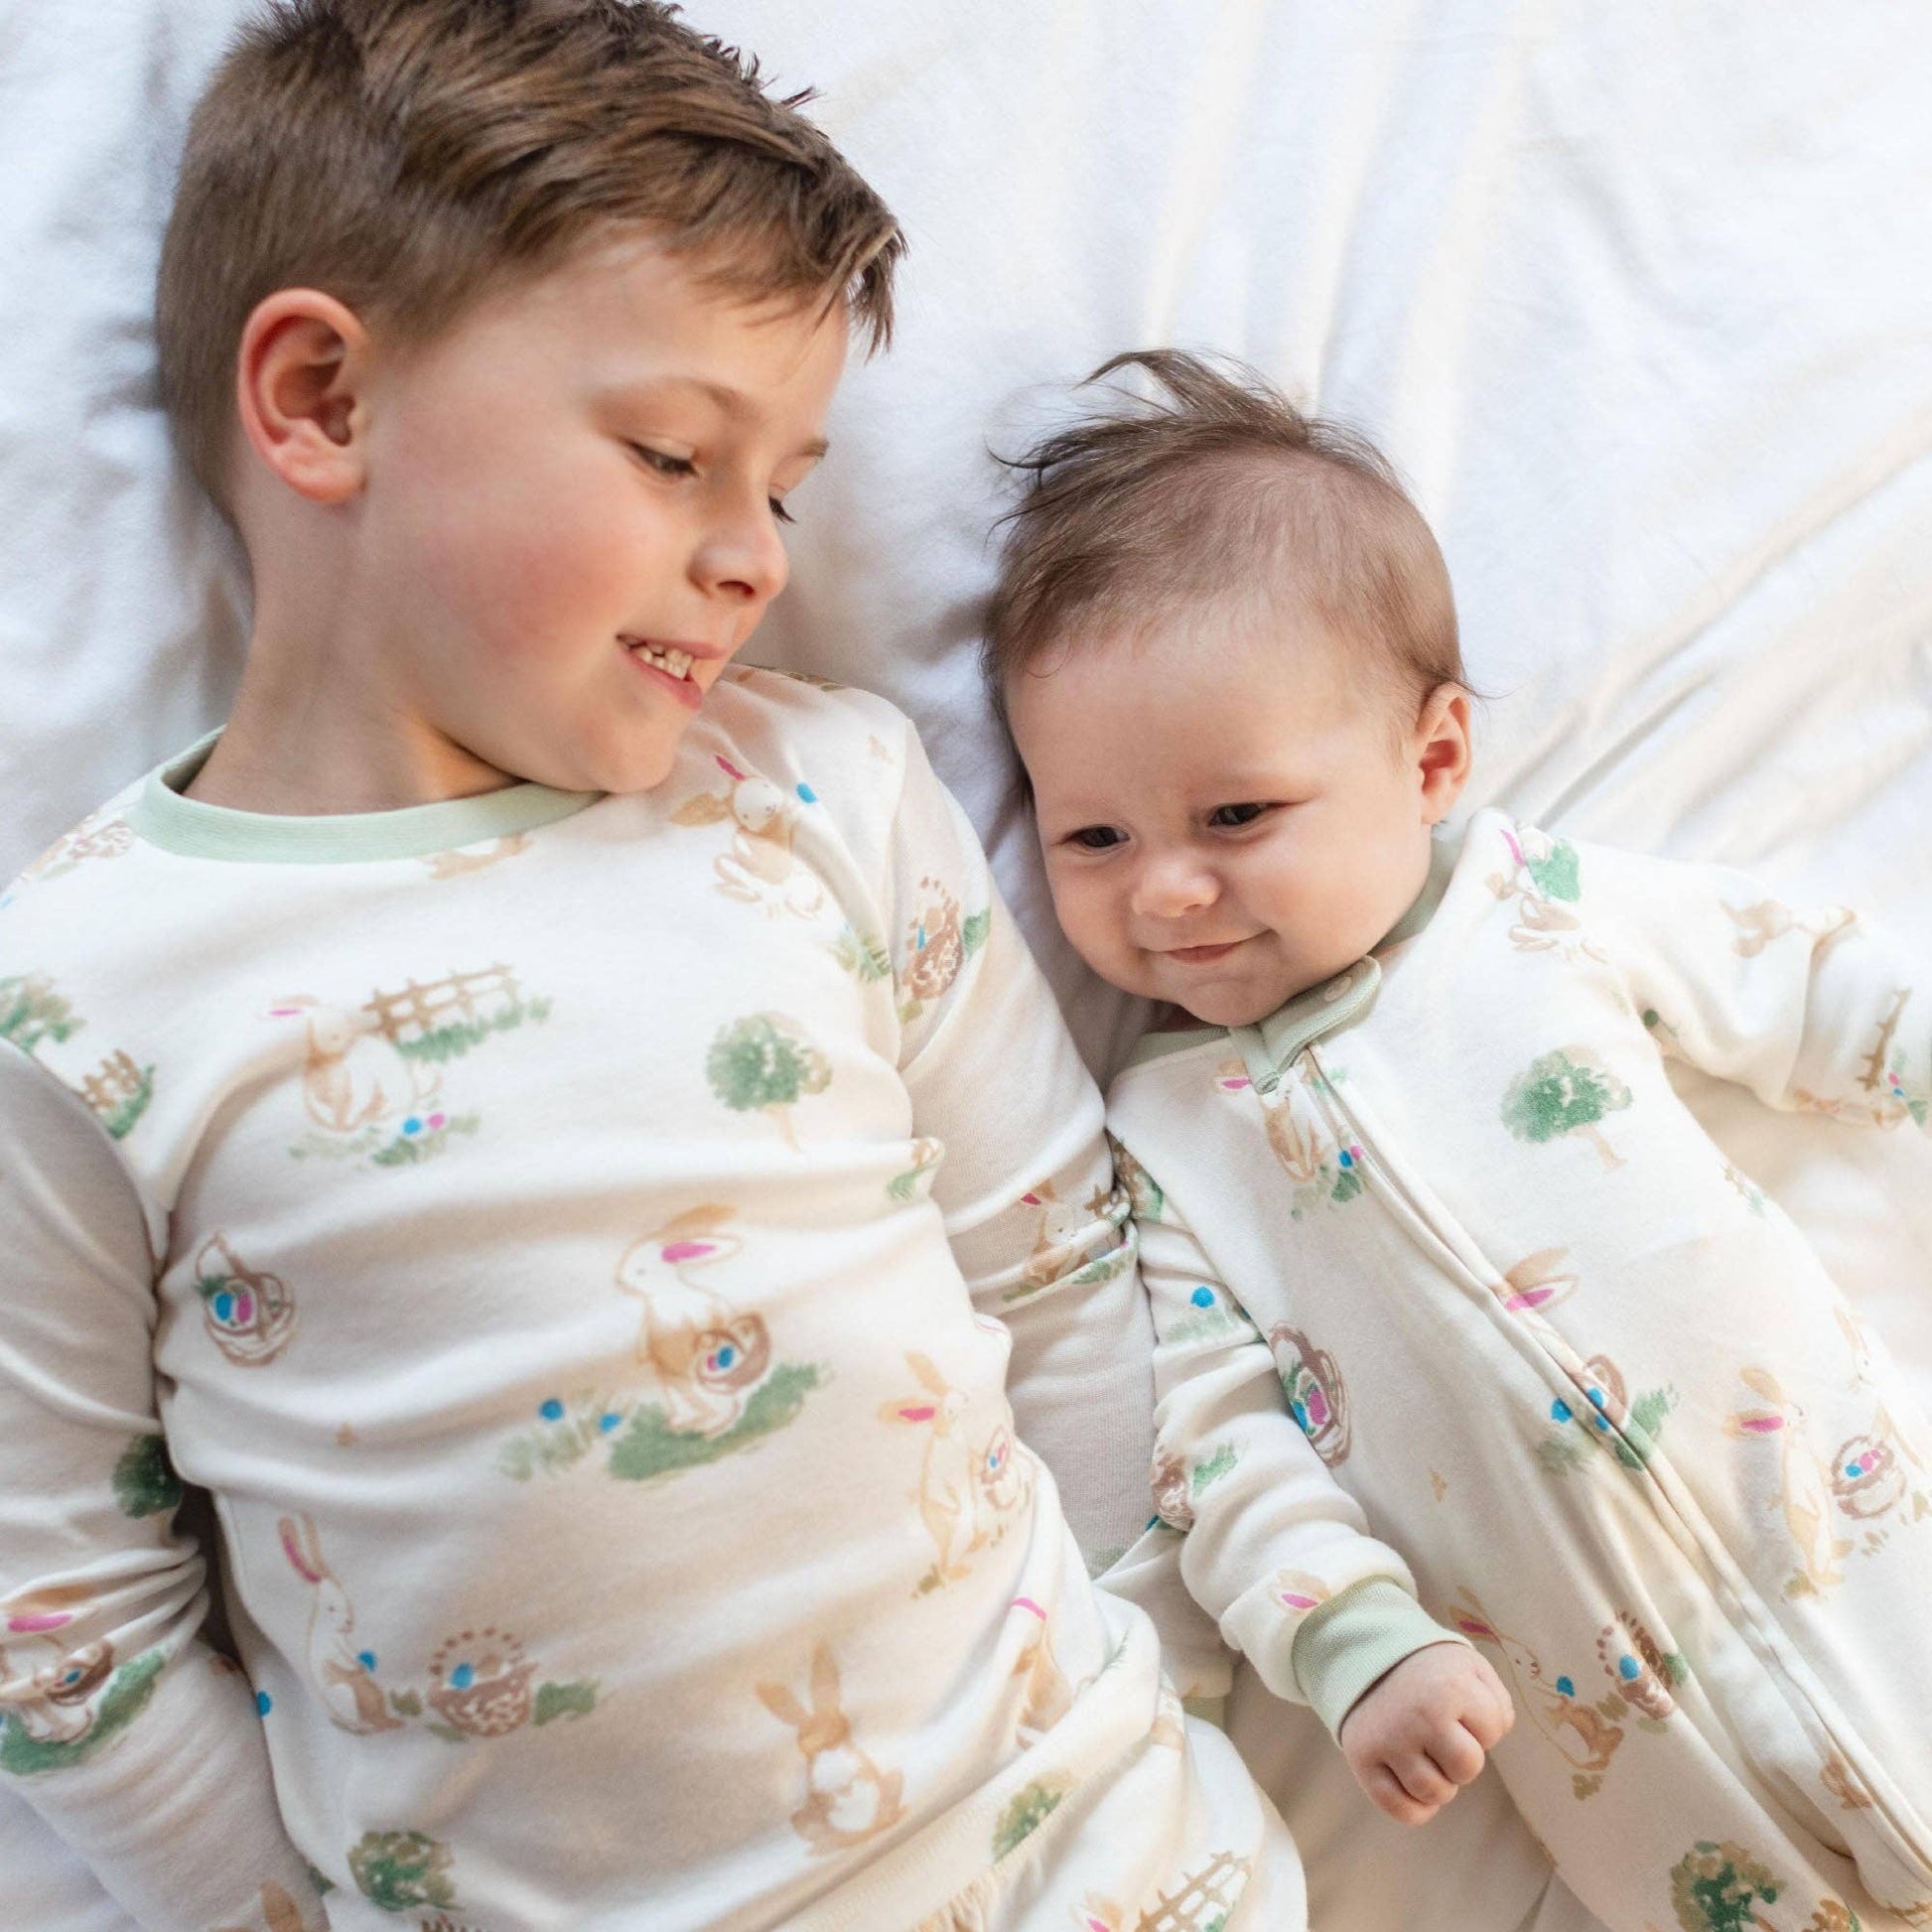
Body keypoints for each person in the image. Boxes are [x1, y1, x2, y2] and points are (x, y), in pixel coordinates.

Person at [0, 12, 1306, 1927]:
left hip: (1109, 1865)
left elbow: (1051, 1271)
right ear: (323, 401)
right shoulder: (84, 998)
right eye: (676, 454)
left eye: (780, 489)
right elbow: (68, 1630)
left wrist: (1153, 1692)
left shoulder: (826, 798)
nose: (752, 558)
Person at [991, 347, 1932, 1932]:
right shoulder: (1163, 1134)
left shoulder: (1526, 910)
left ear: (1427, 761)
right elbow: (1217, 1449)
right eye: (1093, 835)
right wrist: (1355, 1637)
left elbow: (1794, 975)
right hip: (1644, 1792)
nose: (1160, 889)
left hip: (1873, 1568)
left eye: (1234, 817)